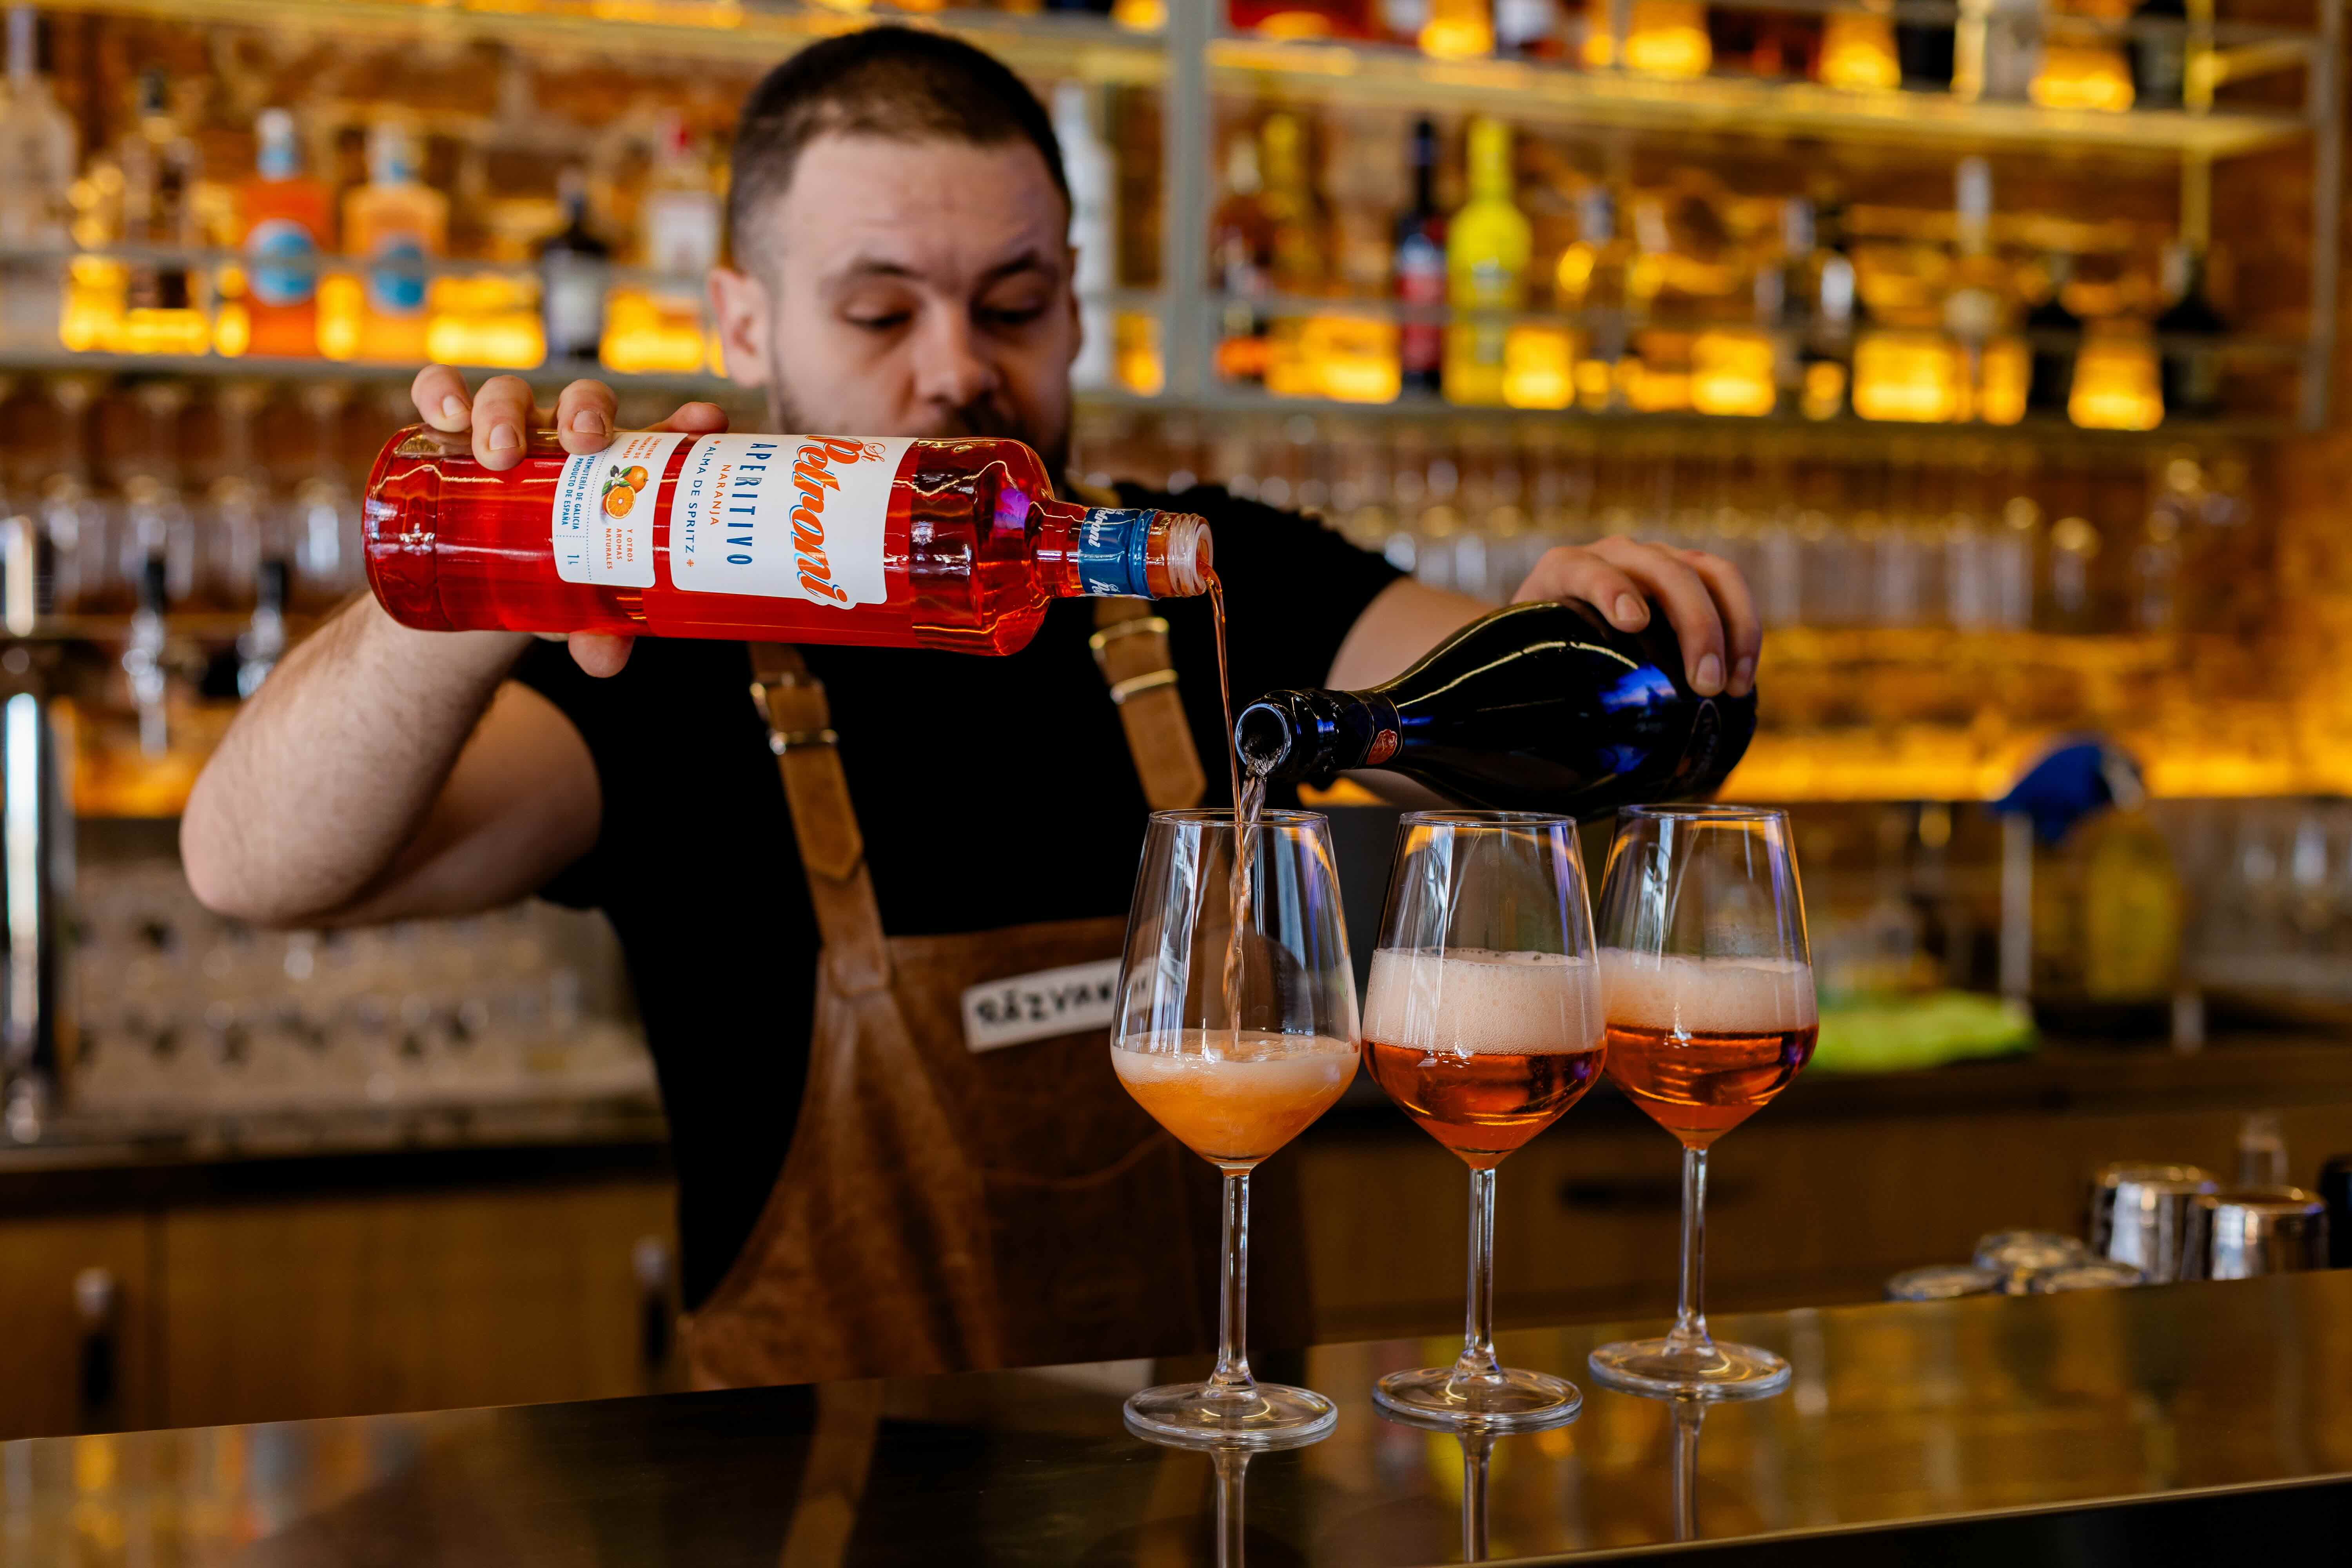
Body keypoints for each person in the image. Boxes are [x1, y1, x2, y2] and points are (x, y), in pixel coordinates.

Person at [181, 27, 1761, 1388]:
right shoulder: (657, 664)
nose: (957, 371)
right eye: (881, 315)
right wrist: (476, 582)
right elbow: (253, 866)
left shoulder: (1209, 582)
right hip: (813, 1515)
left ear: (1076, 305)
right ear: (743, 325)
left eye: (1015, 303)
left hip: (1212, 1503)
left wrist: (1592, 629)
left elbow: (1537, 741)